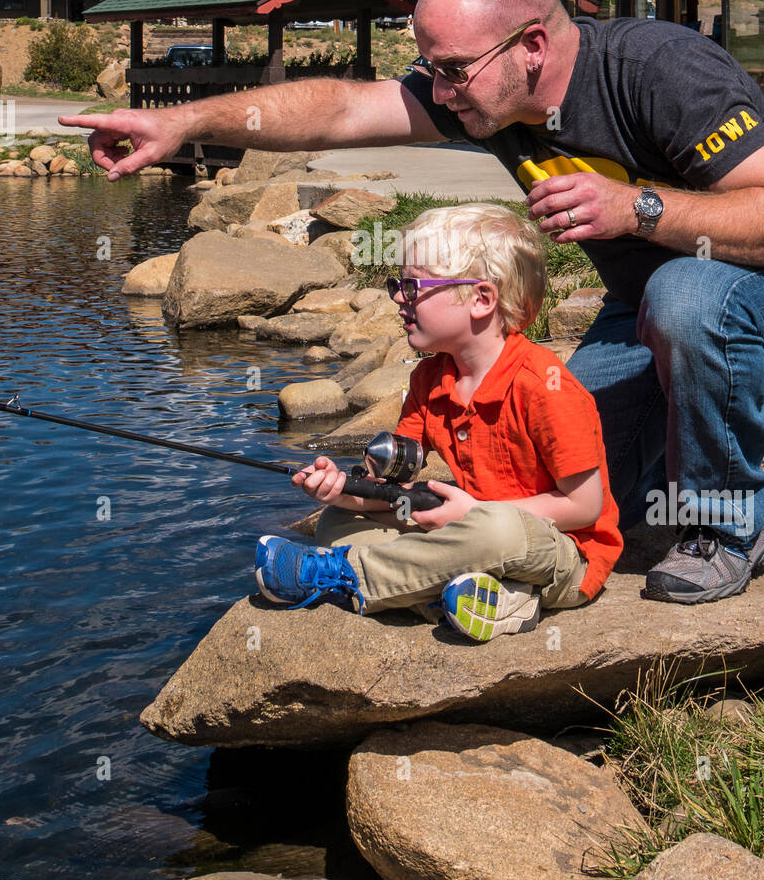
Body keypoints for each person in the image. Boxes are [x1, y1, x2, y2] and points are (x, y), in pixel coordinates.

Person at [59, 0, 764, 605]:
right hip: (643, 310)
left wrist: (636, 209)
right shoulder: (483, 90)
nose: (436, 92)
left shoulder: (663, 70)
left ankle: (726, 522)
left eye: (451, 70)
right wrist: (181, 121)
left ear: (532, 47)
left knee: (685, 294)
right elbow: (338, 110)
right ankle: (699, 496)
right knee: (568, 490)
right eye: (428, 69)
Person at [253, 204, 622, 640]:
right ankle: (490, 599)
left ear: (481, 299)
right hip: (468, 530)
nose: (397, 298)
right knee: (337, 523)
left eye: (412, 287)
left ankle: (349, 577)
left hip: (557, 549)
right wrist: (344, 492)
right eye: (398, 285)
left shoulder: (545, 386)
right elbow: (396, 492)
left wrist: (476, 514)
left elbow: (584, 507)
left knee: (496, 531)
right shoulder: (429, 379)